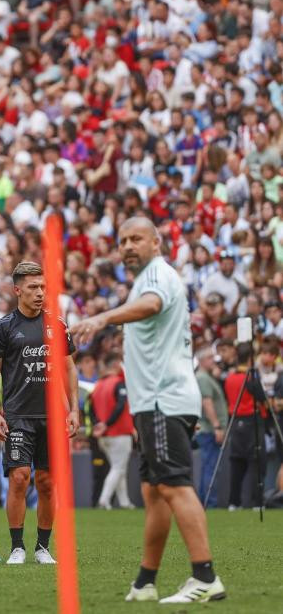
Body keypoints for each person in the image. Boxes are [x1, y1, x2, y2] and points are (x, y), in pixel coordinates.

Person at [71, 217, 225, 603]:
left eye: (136, 238)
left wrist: (104, 316)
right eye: (122, 240)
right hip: (153, 402)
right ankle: (145, 582)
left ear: (157, 243)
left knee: (172, 484)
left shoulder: (157, 275)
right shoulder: (147, 278)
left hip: (162, 399)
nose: (127, 246)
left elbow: (151, 305)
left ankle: (205, 577)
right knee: (154, 491)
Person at [0, 261, 79, 566]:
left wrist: (75, 409)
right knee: (19, 478)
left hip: (52, 417)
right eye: (33, 288)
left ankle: (42, 546)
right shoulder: (3, 327)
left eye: (43, 287)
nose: (40, 293)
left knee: (48, 483)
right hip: (18, 417)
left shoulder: (58, 325)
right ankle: (16, 546)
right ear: (17, 290)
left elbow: (68, 368)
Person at [223, 343, 266, 510]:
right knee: (257, 463)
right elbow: (262, 398)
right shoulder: (250, 378)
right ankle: (258, 503)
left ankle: (234, 502)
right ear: (250, 359)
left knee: (237, 463)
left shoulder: (229, 378)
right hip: (251, 421)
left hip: (235, 422)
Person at [90, 354, 135, 510]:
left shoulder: (98, 384)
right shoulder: (118, 383)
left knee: (119, 467)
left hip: (103, 436)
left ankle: (124, 502)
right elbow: (121, 405)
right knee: (118, 468)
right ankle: (103, 500)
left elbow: (90, 409)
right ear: (116, 365)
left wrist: (98, 424)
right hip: (119, 432)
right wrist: (107, 424)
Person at [194, 346, 228, 509]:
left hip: (207, 429)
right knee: (211, 467)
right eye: (209, 358)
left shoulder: (205, 377)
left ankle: (205, 501)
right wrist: (217, 426)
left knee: (209, 465)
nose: (213, 361)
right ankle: (210, 502)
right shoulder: (202, 378)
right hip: (209, 429)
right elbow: (207, 403)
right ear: (200, 360)